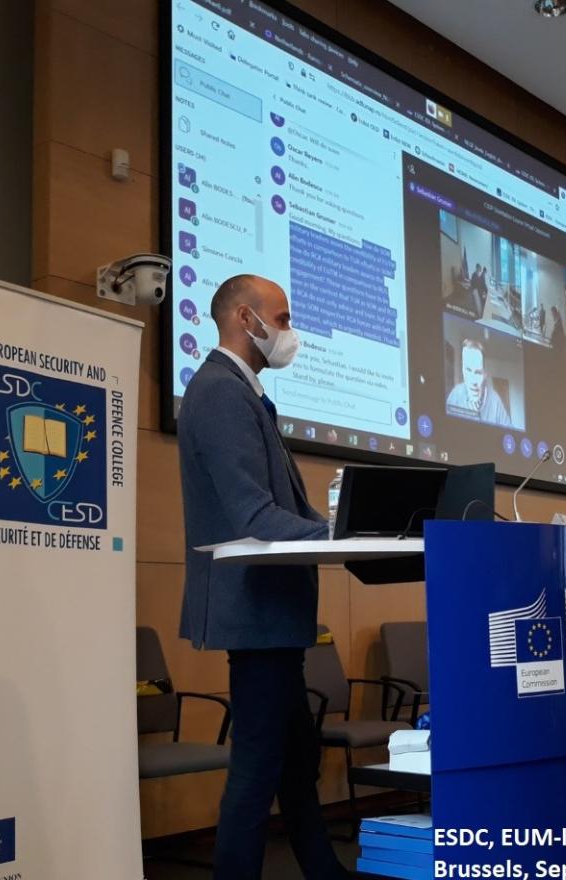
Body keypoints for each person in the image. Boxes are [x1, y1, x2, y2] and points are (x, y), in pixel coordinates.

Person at [178, 274, 350, 880]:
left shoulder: (245, 393)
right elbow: (252, 515)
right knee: (256, 772)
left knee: (295, 764)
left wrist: (341, 525)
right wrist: (336, 535)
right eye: (282, 317)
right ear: (245, 320)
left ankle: (324, 871)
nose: (289, 330)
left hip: (274, 613)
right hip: (255, 614)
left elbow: (286, 511)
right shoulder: (222, 392)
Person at [445, 338, 512, 426]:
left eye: (478, 372)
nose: (473, 381)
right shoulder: (455, 394)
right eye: (468, 370)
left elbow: (509, 431)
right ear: (463, 370)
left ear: (485, 374)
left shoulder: (495, 400)